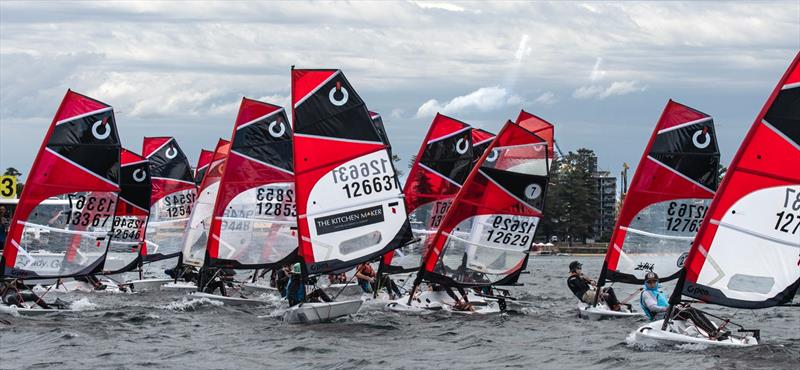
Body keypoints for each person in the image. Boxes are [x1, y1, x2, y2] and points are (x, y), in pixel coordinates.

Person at [640, 271, 728, 339]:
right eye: (649, 282)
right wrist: (667, 308)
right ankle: (712, 333)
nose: (652, 284)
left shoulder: (658, 291)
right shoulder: (646, 293)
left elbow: (668, 304)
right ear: (645, 283)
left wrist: (679, 305)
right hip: (660, 317)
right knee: (689, 312)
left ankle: (714, 331)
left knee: (692, 310)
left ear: (657, 282)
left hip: (668, 313)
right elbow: (652, 307)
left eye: (654, 282)